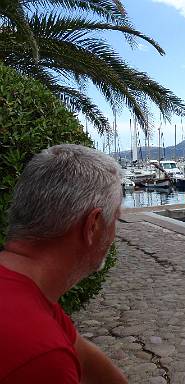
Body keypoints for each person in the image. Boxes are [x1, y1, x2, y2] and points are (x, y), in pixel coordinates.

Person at [0, 144, 128, 384]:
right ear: (93, 226)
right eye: (116, 219)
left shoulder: (33, 299)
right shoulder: (41, 356)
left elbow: (90, 363)